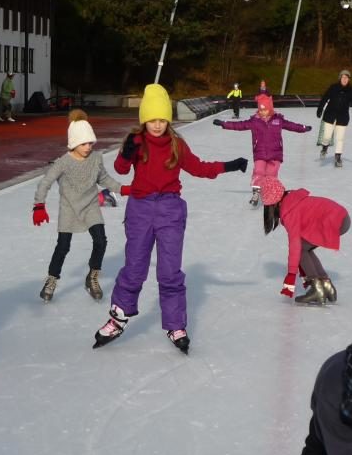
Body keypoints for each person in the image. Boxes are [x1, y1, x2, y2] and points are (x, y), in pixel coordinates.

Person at [93, 83, 248, 353]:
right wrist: (127, 151)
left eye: (162, 119)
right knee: (135, 267)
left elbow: (198, 168)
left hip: (170, 210)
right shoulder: (137, 141)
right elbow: (120, 168)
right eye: (152, 119)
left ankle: (175, 325)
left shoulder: (176, 144)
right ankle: (119, 317)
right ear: (144, 119)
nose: (157, 124)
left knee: (169, 271)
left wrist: (228, 165)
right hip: (140, 210)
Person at [33, 109, 124, 303]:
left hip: (91, 205)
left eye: (90, 142)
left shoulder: (96, 158)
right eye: (83, 143)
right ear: (74, 142)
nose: (88, 147)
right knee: (63, 247)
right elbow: (45, 182)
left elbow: (103, 178)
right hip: (69, 208)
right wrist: (39, 205)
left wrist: (123, 189)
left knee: (101, 241)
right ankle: (52, 279)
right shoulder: (63, 162)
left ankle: (92, 276)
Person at [259, 176, 350, 306]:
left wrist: (291, 274)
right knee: (304, 248)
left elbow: (294, 246)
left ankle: (317, 289)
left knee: (300, 249)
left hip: (335, 220)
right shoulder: (291, 201)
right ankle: (326, 285)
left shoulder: (290, 212)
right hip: (340, 216)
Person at [214, 94, 311, 206]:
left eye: (265, 110)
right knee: (258, 172)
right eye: (261, 110)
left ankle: (270, 195)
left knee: (271, 175)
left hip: (275, 154)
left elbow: (292, 126)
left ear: (270, 109)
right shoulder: (254, 121)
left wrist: (304, 128)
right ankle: (256, 192)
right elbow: (240, 125)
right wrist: (224, 124)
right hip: (259, 152)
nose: (263, 112)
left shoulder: (278, 120)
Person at [316, 70, 352, 169]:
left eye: (347, 78)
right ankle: (325, 147)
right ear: (340, 78)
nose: (345, 79)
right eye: (343, 77)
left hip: (342, 118)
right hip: (330, 115)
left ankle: (338, 157)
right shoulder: (333, 87)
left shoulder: (351, 90)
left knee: (340, 138)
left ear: (349, 79)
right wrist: (320, 109)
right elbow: (325, 98)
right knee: (326, 137)